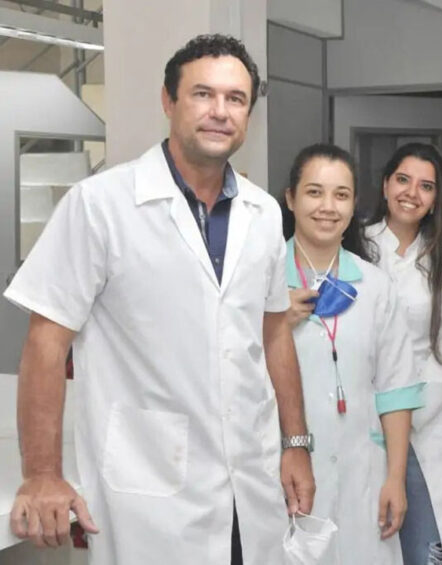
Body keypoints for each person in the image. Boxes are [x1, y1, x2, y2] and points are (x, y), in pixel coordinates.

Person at [4, 34, 314, 565]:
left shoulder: (263, 215)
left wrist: (296, 445)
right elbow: (47, 342)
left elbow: (273, 332)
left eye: (236, 99)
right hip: (150, 488)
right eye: (203, 94)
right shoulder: (100, 205)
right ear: (169, 101)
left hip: (251, 482)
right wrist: (42, 474)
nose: (220, 111)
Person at [282, 143, 423, 563]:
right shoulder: (262, 281)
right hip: (284, 470)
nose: (328, 207)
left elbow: (397, 390)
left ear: (354, 204)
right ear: (290, 198)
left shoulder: (376, 287)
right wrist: (271, 323)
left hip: (363, 469)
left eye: (340, 195)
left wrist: (395, 479)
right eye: (314, 192)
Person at [365, 143, 442, 564]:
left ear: (435, 200)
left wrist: (401, 417)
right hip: (363, 424)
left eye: (426, 186)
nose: (412, 192)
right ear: (385, 184)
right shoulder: (355, 249)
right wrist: (373, 417)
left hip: (427, 425)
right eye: (403, 180)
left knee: (424, 546)